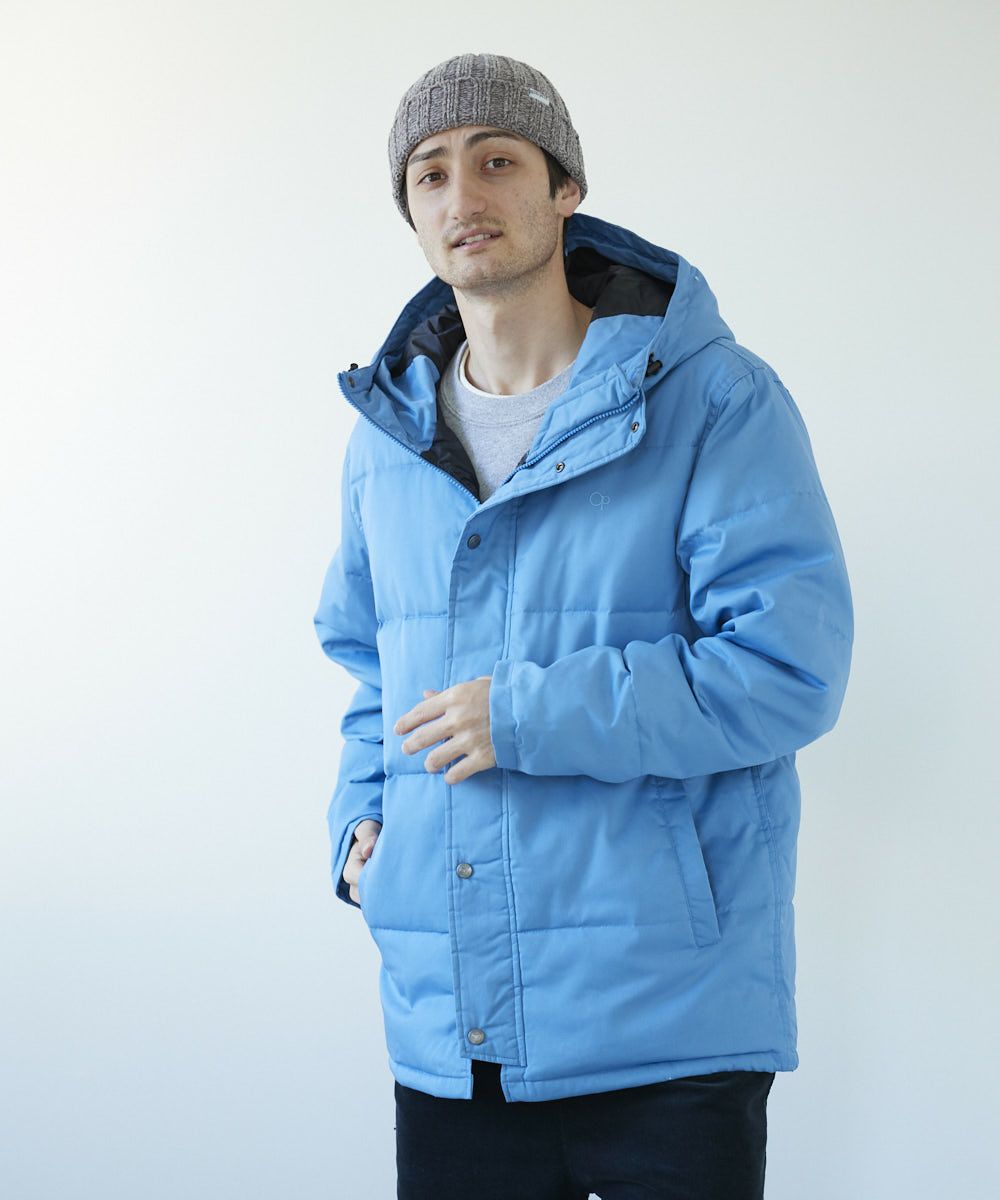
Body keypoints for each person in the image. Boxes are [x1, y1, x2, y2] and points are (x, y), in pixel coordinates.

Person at [313, 51, 854, 1200]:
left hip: (671, 1026)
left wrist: (524, 716)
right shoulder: (386, 439)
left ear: (565, 188)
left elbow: (785, 669)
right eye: (429, 173)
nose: (462, 195)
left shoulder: (712, 398)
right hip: (453, 1025)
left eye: (497, 161)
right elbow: (371, 667)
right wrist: (364, 818)